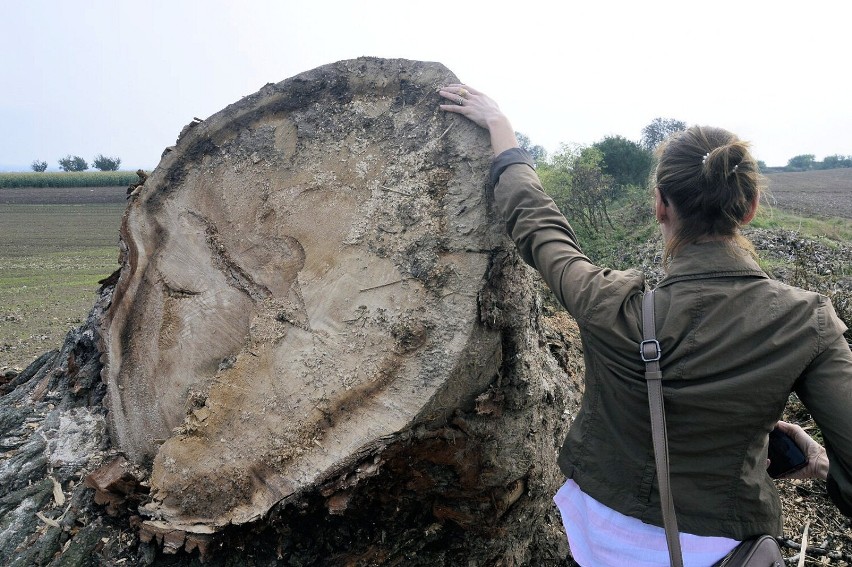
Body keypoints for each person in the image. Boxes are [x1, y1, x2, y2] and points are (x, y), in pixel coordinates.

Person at [438, 84, 852, 566]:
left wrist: (502, 133)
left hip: (596, 534)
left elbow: (540, 229)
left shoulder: (606, 302)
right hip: (717, 547)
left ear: (660, 204)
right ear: (751, 206)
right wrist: (821, 465)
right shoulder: (807, 321)